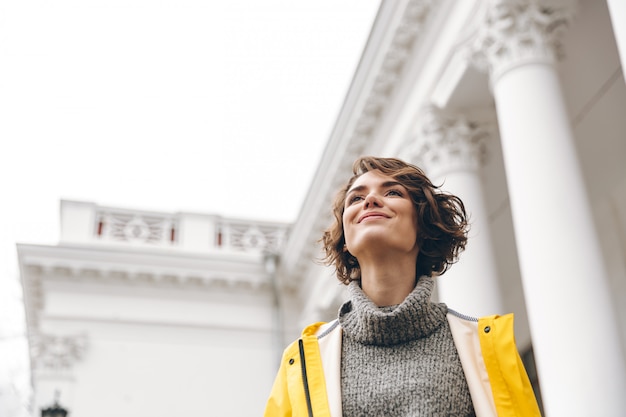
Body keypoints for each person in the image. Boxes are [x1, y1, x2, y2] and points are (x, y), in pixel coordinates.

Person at [263, 156, 541, 417]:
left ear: (423, 225)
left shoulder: (486, 345)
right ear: (345, 240)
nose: (370, 200)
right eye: (356, 198)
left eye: (392, 192)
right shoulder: (300, 362)